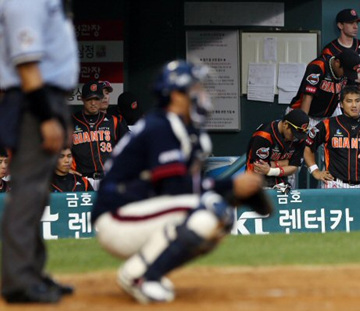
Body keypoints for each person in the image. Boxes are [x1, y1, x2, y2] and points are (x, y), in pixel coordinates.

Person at [91, 60, 270, 304]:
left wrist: (238, 191)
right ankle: (142, 277)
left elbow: (188, 186)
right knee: (209, 209)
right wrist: (232, 187)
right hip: (117, 216)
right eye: (196, 89)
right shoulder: (161, 126)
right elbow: (176, 188)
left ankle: (142, 271)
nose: (203, 95)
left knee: (221, 218)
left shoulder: (184, 128)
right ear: (176, 95)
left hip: (141, 212)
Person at [0, 0, 78, 303]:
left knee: (38, 193)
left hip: (46, 98)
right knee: (27, 192)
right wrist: (47, 116)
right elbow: (26, 63)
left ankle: (32, 274)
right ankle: (19, 281)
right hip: (32, 101)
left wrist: (60, 116)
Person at [304, 86, 360, 188]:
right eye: (349, 101)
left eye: (357, 101)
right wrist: (315, 171)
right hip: (334, 183)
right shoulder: (328, 124)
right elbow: (307, 146)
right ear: (341, 104)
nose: (354, 105)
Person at [71, 80, 128, 189]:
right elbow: (60, 149)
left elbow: (129, 145)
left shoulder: (113, 121)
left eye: (96, 99)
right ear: (82, 99)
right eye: (89, 99)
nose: (93, 103)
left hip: (108, 177)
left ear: (101, 99)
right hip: (82, 180)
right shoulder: (72, 122)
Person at [322, 8, 360, 121]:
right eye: (351, 23)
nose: (356, 26)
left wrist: (348, 76)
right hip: (338, 102)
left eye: (357, 23)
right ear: (340, 25)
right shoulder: (330, 49)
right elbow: (332, 77)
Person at [289, 49, 360, 128]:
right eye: (345, 71)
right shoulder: (318, 66)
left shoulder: (345, 74)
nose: (346, 75)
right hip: (303, 114)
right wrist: (302, 123)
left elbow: (349, 96)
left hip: (326, 117)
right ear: (337, 62)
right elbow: (307, 97)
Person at [246, 109, 309, 189]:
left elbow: (294, 167)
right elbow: (260, 168)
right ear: (286, 124)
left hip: (283, 181)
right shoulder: (264, 136)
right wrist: (285, 163)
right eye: (293, 133)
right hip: (257, 181)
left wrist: (270, 170)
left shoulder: (300, 139)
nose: (296, 137)